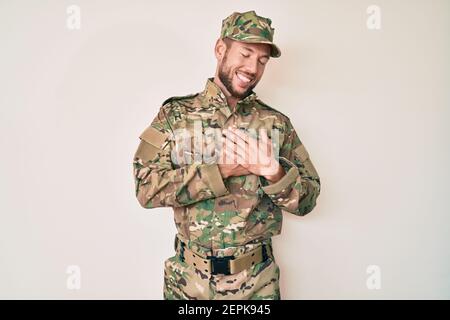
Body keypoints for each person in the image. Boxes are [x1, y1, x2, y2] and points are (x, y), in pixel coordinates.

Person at [132, 10, 321, 300]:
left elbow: (308, 200)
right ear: (220, 49)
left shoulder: (276, 124)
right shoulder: (175, 115)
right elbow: (145, 189)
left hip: (258, 284)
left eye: (261, 60)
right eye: (245, 54)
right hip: (188, 284)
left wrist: (273, 172)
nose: (252, 68)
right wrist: (218, 171)